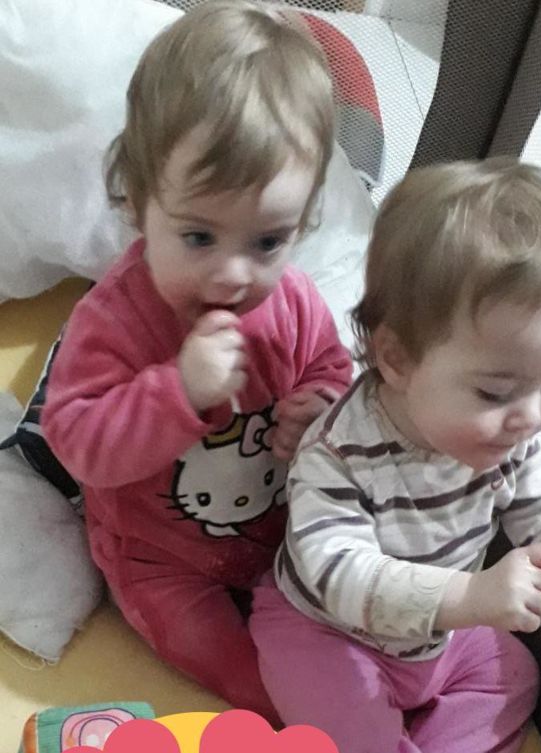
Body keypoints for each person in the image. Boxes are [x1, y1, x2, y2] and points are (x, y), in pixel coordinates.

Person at [41, 0, 352, 723]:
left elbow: (330, 368)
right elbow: (77, 442)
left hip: (278, 529)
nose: (233, 275)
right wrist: (176, 390)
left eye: (268, 241)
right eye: (199, 237)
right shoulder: (116, 319)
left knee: (356, 628)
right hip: (159, 560)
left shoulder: (294, 302)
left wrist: (320, 409)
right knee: (241, 670)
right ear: (139, 202)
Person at [249, 159, 541, 751]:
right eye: (496, 392)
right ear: (397, 360)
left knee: (516, 675)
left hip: (438, 638)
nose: (529, 415)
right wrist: (470, 598)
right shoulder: (338, 452)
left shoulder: (508, 437)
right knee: (348, 726)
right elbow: (340, 574)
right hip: (327, 634)